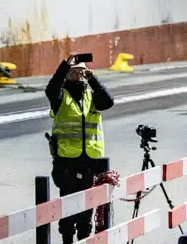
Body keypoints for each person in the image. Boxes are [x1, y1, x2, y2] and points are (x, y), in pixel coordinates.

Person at [46, 55, 115, 243]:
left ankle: (84, 239)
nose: (77, 75)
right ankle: (67, 239)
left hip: (90, 160)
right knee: (68, 207)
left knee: (87, 208)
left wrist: (93, 79)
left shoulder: (91, 95)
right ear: (67, 74)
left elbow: (108, 101)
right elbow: (51, 90)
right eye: (73, 71)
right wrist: (63, 66)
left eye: (80, 72)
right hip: (67, 160)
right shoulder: (60, 96)